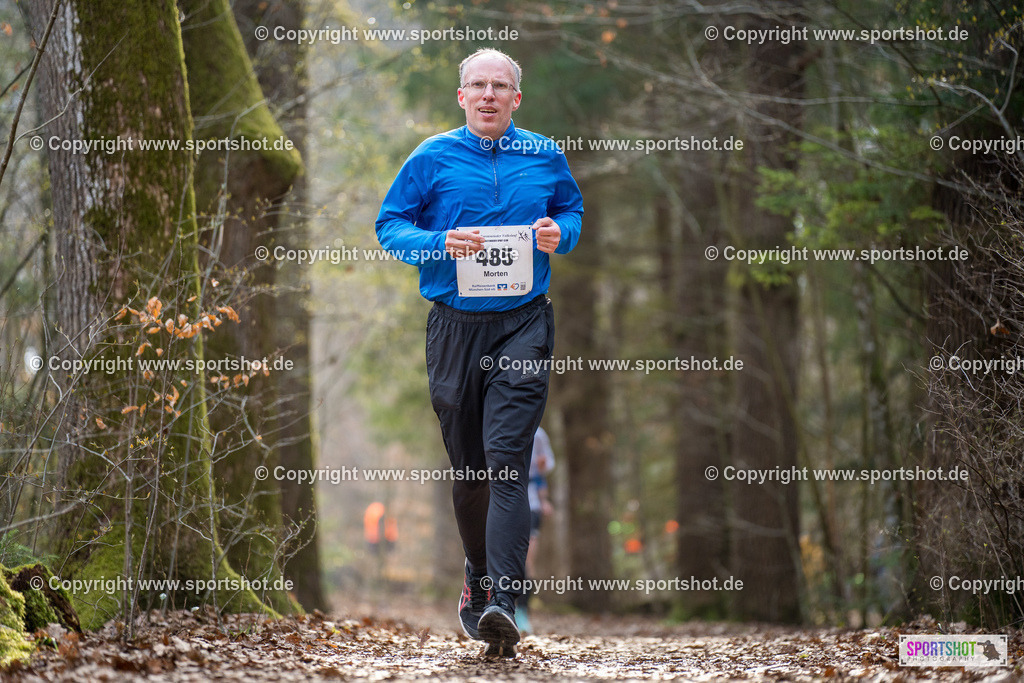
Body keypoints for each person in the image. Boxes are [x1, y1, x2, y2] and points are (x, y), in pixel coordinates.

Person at [375, 48, 583, 656]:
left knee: (507, 458)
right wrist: (440, 243)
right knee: (470, 468)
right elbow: (391, 226)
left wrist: (558, 233)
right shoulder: (431, 157)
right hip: (454, 329)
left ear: (516, 98)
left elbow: (569, 210)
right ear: (461, 97)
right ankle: (478, 577)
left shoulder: (544, 154)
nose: (488, 95)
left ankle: (505, 602)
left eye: (500, 86)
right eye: (477, 86)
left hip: (524, 325)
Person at [515, 426, 555, 635]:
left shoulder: (538, 434)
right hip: (505, 501)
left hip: (532, 505)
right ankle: (500, 606)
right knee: (505, 556)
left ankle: (522, 612)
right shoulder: (500, 423)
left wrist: (544, 500)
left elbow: (545, 466)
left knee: (527, 561)